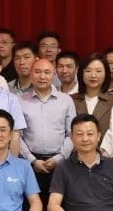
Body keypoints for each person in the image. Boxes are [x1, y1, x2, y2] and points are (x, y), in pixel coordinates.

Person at [18, 57, 75, 192]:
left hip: (61, 163)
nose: (42, 76)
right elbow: (17, 136)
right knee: (31, 202)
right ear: (31, 74)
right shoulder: (20, 102)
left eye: (47, 72)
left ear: (54, 74)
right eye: (37, 72)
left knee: (57, 203)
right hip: (30, 164)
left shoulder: (66, 100)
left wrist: (58, 158)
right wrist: (32, 160)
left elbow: (72, 134)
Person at [73, 55, 113, 168]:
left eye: (98, 71)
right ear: (81, 73)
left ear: (106, 74)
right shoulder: (72, 100)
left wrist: (96, 157)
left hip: (107, 163)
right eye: (88, 71)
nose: (93, 75)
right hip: (77, 162)